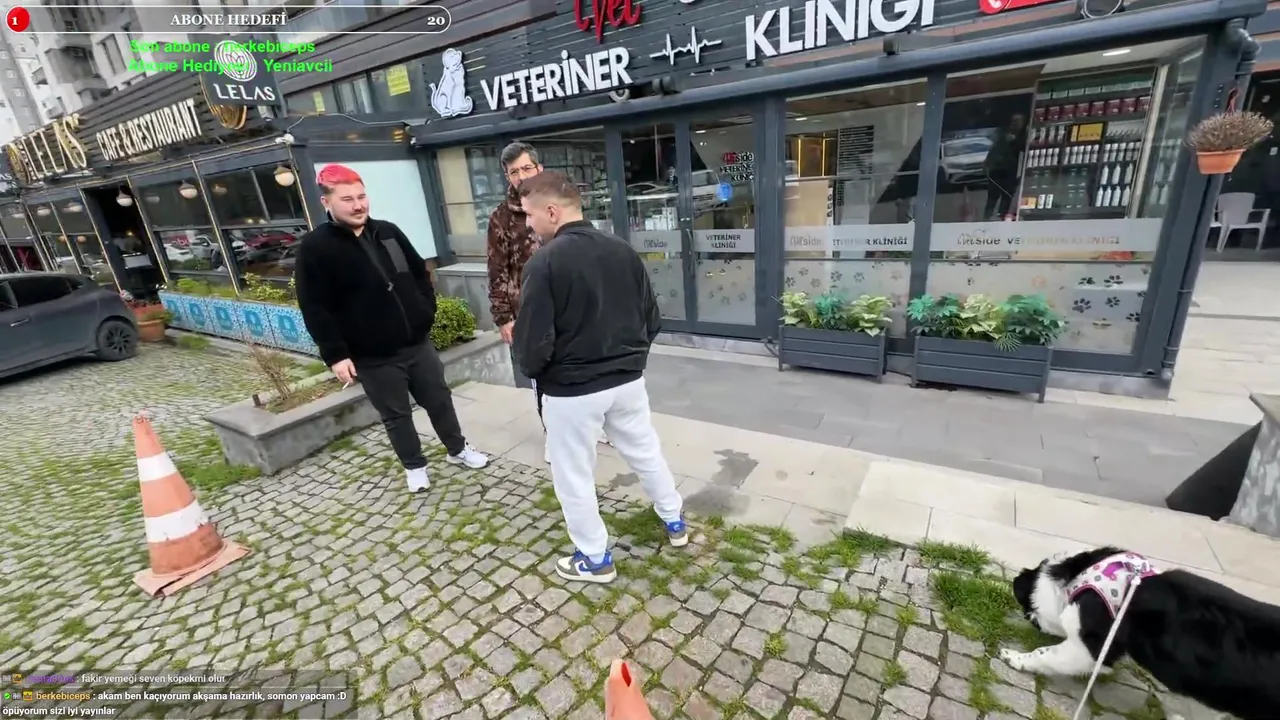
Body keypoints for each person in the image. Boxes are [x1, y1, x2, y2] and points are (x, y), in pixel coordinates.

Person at [511, 171, 687, 584]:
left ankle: (594, 558)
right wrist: (631, 359)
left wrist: (539, 373)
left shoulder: (544, 263)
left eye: (529, 214)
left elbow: (532, 340)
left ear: (552, 211)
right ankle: (674, 519)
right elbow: (652, 319)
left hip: (572, 390)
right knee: (645, 451)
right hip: (627, 381)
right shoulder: (622, 250)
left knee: (573, 475)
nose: (528, 224)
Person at [295, 164, 489, 493]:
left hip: (417, 344)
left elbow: (419, 272)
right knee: (396, 415)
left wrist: (425, 310)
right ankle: (415, 467)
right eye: (347, 199)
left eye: (361, 196)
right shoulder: (316, 248)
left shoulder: (388, 232)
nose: (358, 205)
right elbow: (314, 306)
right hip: (372, 356)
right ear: (326, 202)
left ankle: (457, 449)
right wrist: (336, 355)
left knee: (439, 400)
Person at [487, 141, 609, 457]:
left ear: (539, 168)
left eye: (526, 168)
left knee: (585, 366)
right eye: (514, 172)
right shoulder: (501, 217)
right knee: (543, 377)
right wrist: (503, 317)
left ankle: (592, 423)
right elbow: (497, 269)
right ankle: (552, 434)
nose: (521, 176)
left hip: (573, 305)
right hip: (530, 309)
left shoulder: (559, 200)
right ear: (507, 176)